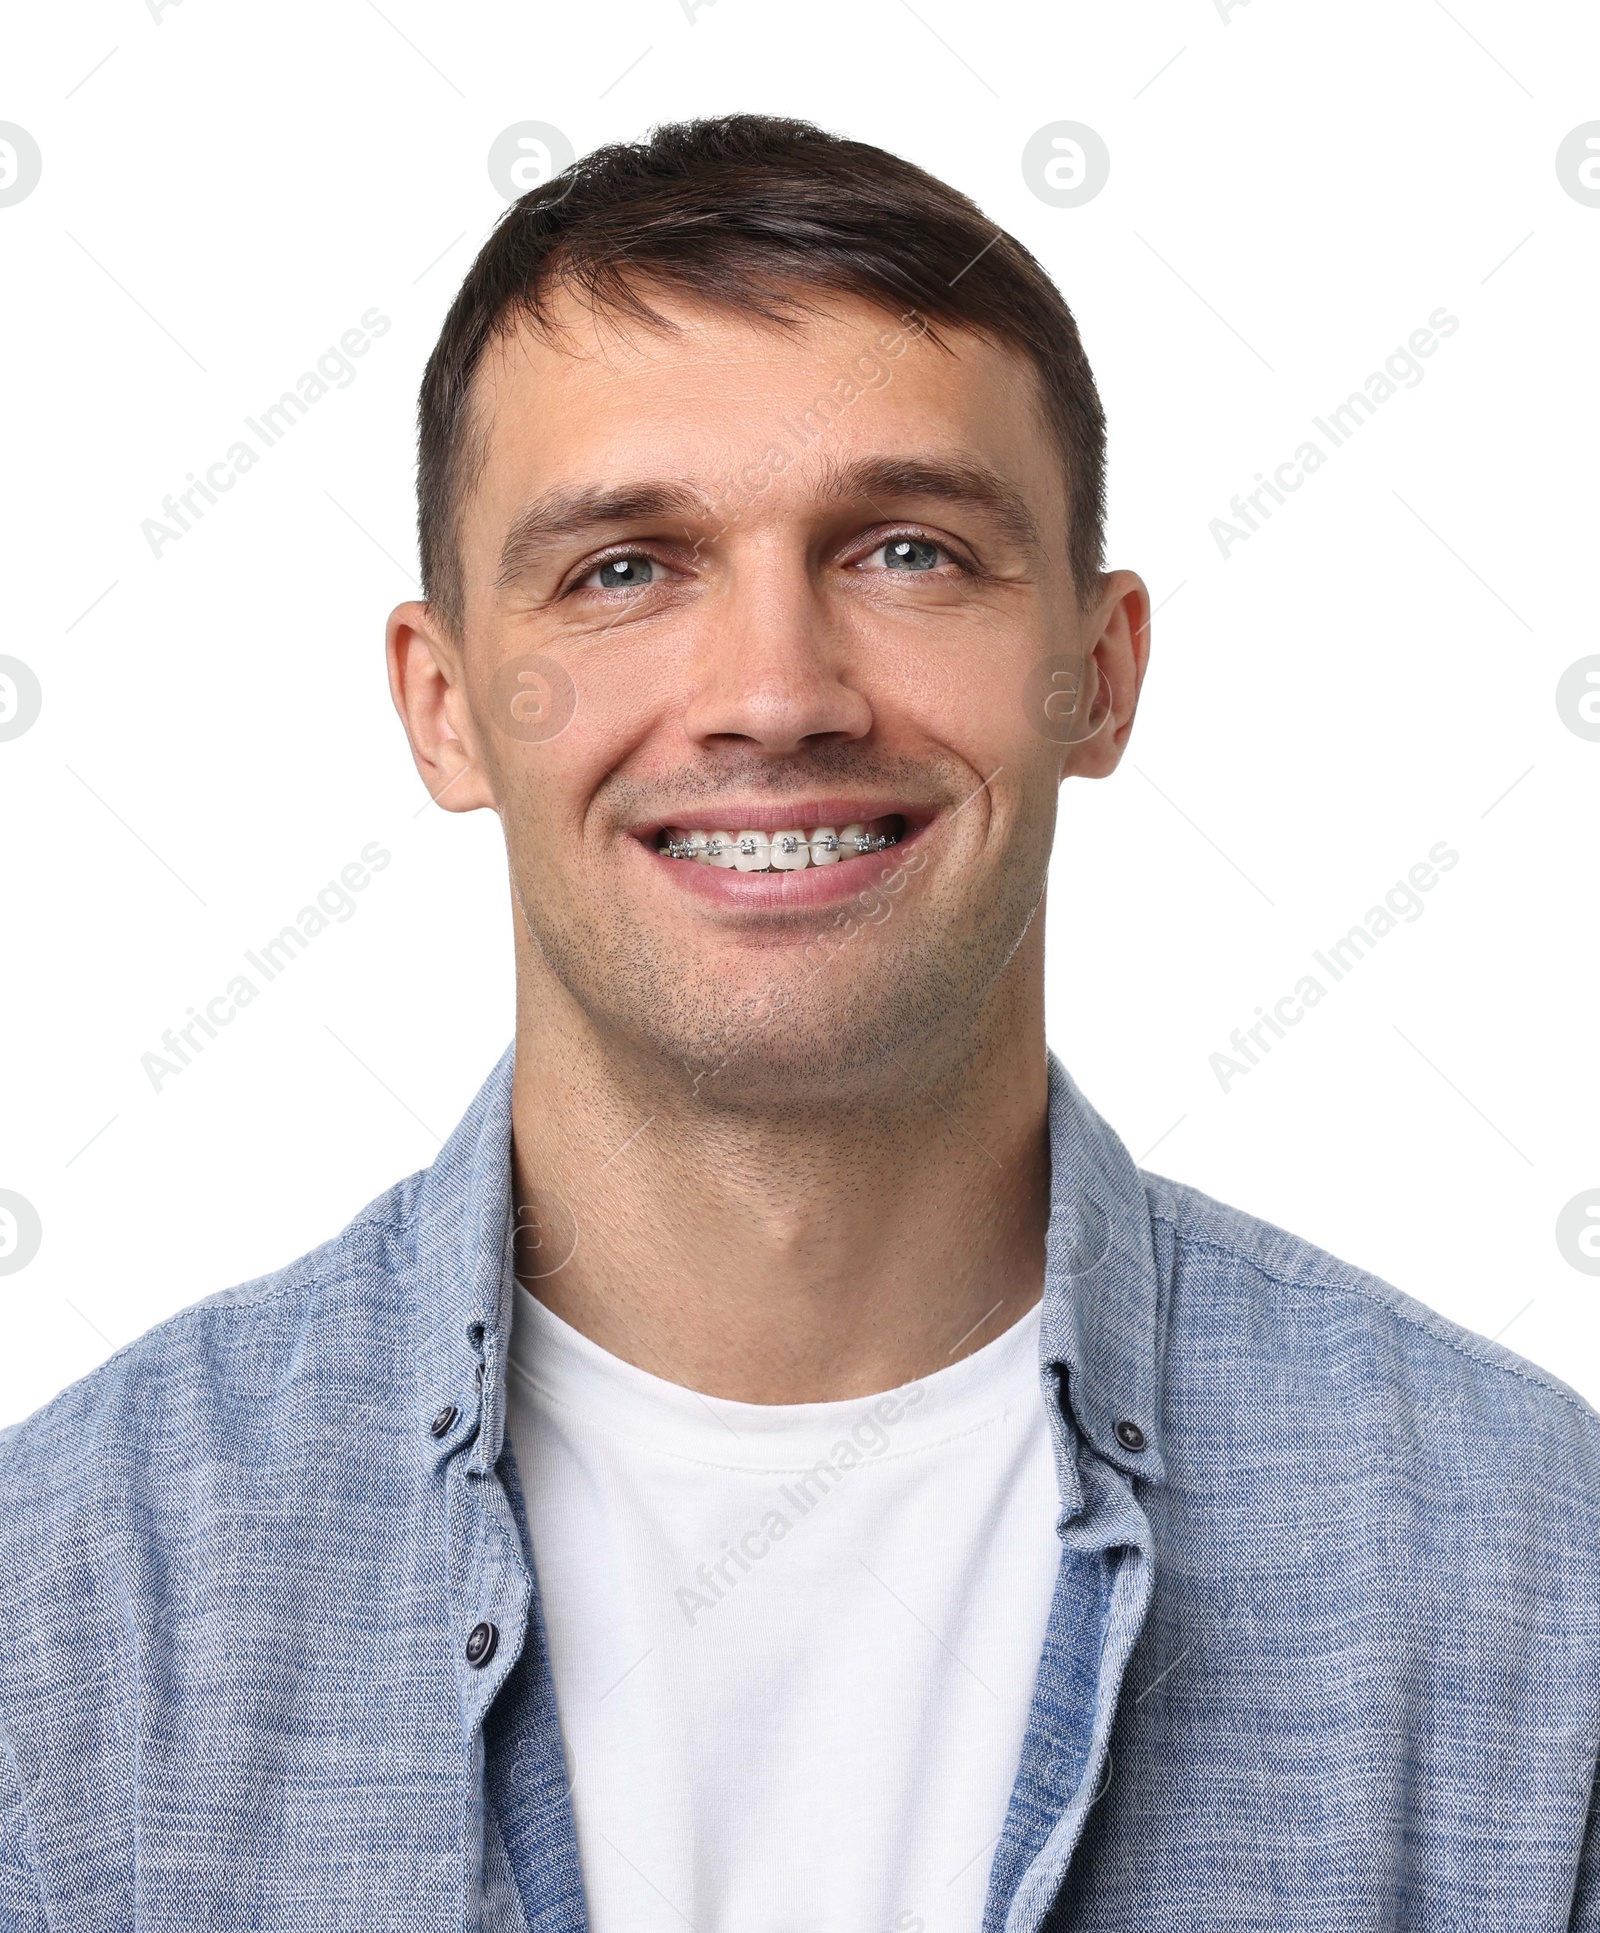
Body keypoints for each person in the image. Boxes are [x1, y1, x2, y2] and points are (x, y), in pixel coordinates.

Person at [1, 114, 1596, 1933]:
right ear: (443, 709)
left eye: (907, 551)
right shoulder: (69, 1615)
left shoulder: (1534, 1585)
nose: (774, 693)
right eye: (623, 568)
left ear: (1101, 669)